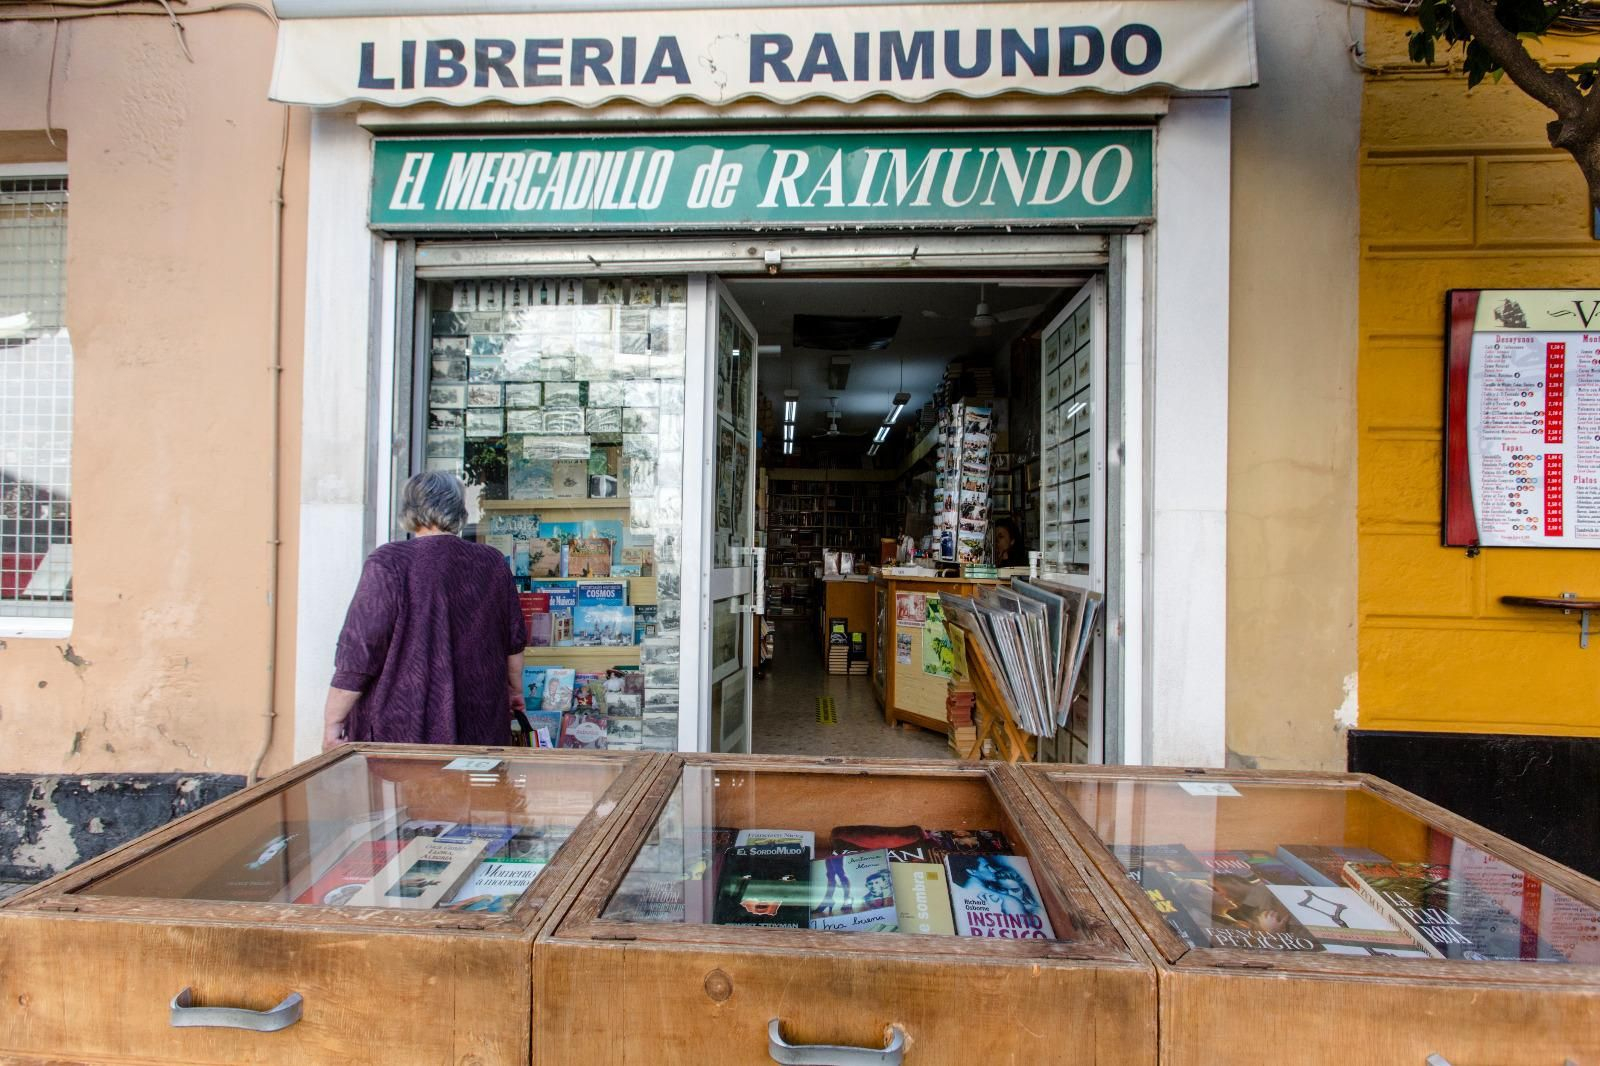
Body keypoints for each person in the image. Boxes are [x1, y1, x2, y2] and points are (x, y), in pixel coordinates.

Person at [322, 472, 526, 749]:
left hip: (404, 723)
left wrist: (334, 721)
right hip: (479, 717)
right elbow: (513, 642)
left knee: (406, 791)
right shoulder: (491, 561)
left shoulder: (389, 562)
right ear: (459, 511)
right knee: (475, 789)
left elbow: (359, 651)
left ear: (410, 510)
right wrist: (514, 691)